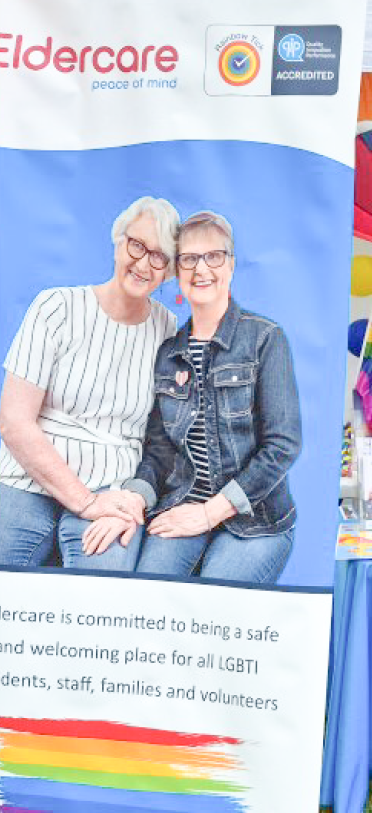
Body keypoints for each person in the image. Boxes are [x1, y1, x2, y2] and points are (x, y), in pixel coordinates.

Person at [117, 211, 301, 583]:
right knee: (149, 596)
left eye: (213, 256)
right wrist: (136, 496)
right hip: (182, 506)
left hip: (255, 519)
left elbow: (283, 445)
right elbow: (159, 450)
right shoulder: (168, 352)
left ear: (230, 265)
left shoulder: (265, 337)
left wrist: (210, 513)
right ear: (177, 273)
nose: (201, 269)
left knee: (216, 604)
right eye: (189, 259)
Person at [0, 197, 179, 569]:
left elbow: (162, 440)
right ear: (118, 241)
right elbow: (13, 422)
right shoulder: (55, 307)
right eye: (137, 245)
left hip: (112, 491)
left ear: (169, 272)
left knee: (101, 598)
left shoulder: (168, 330)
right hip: (25, 479)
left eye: (159, 257)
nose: (143, 263)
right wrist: (83, 501)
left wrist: (131, 500)